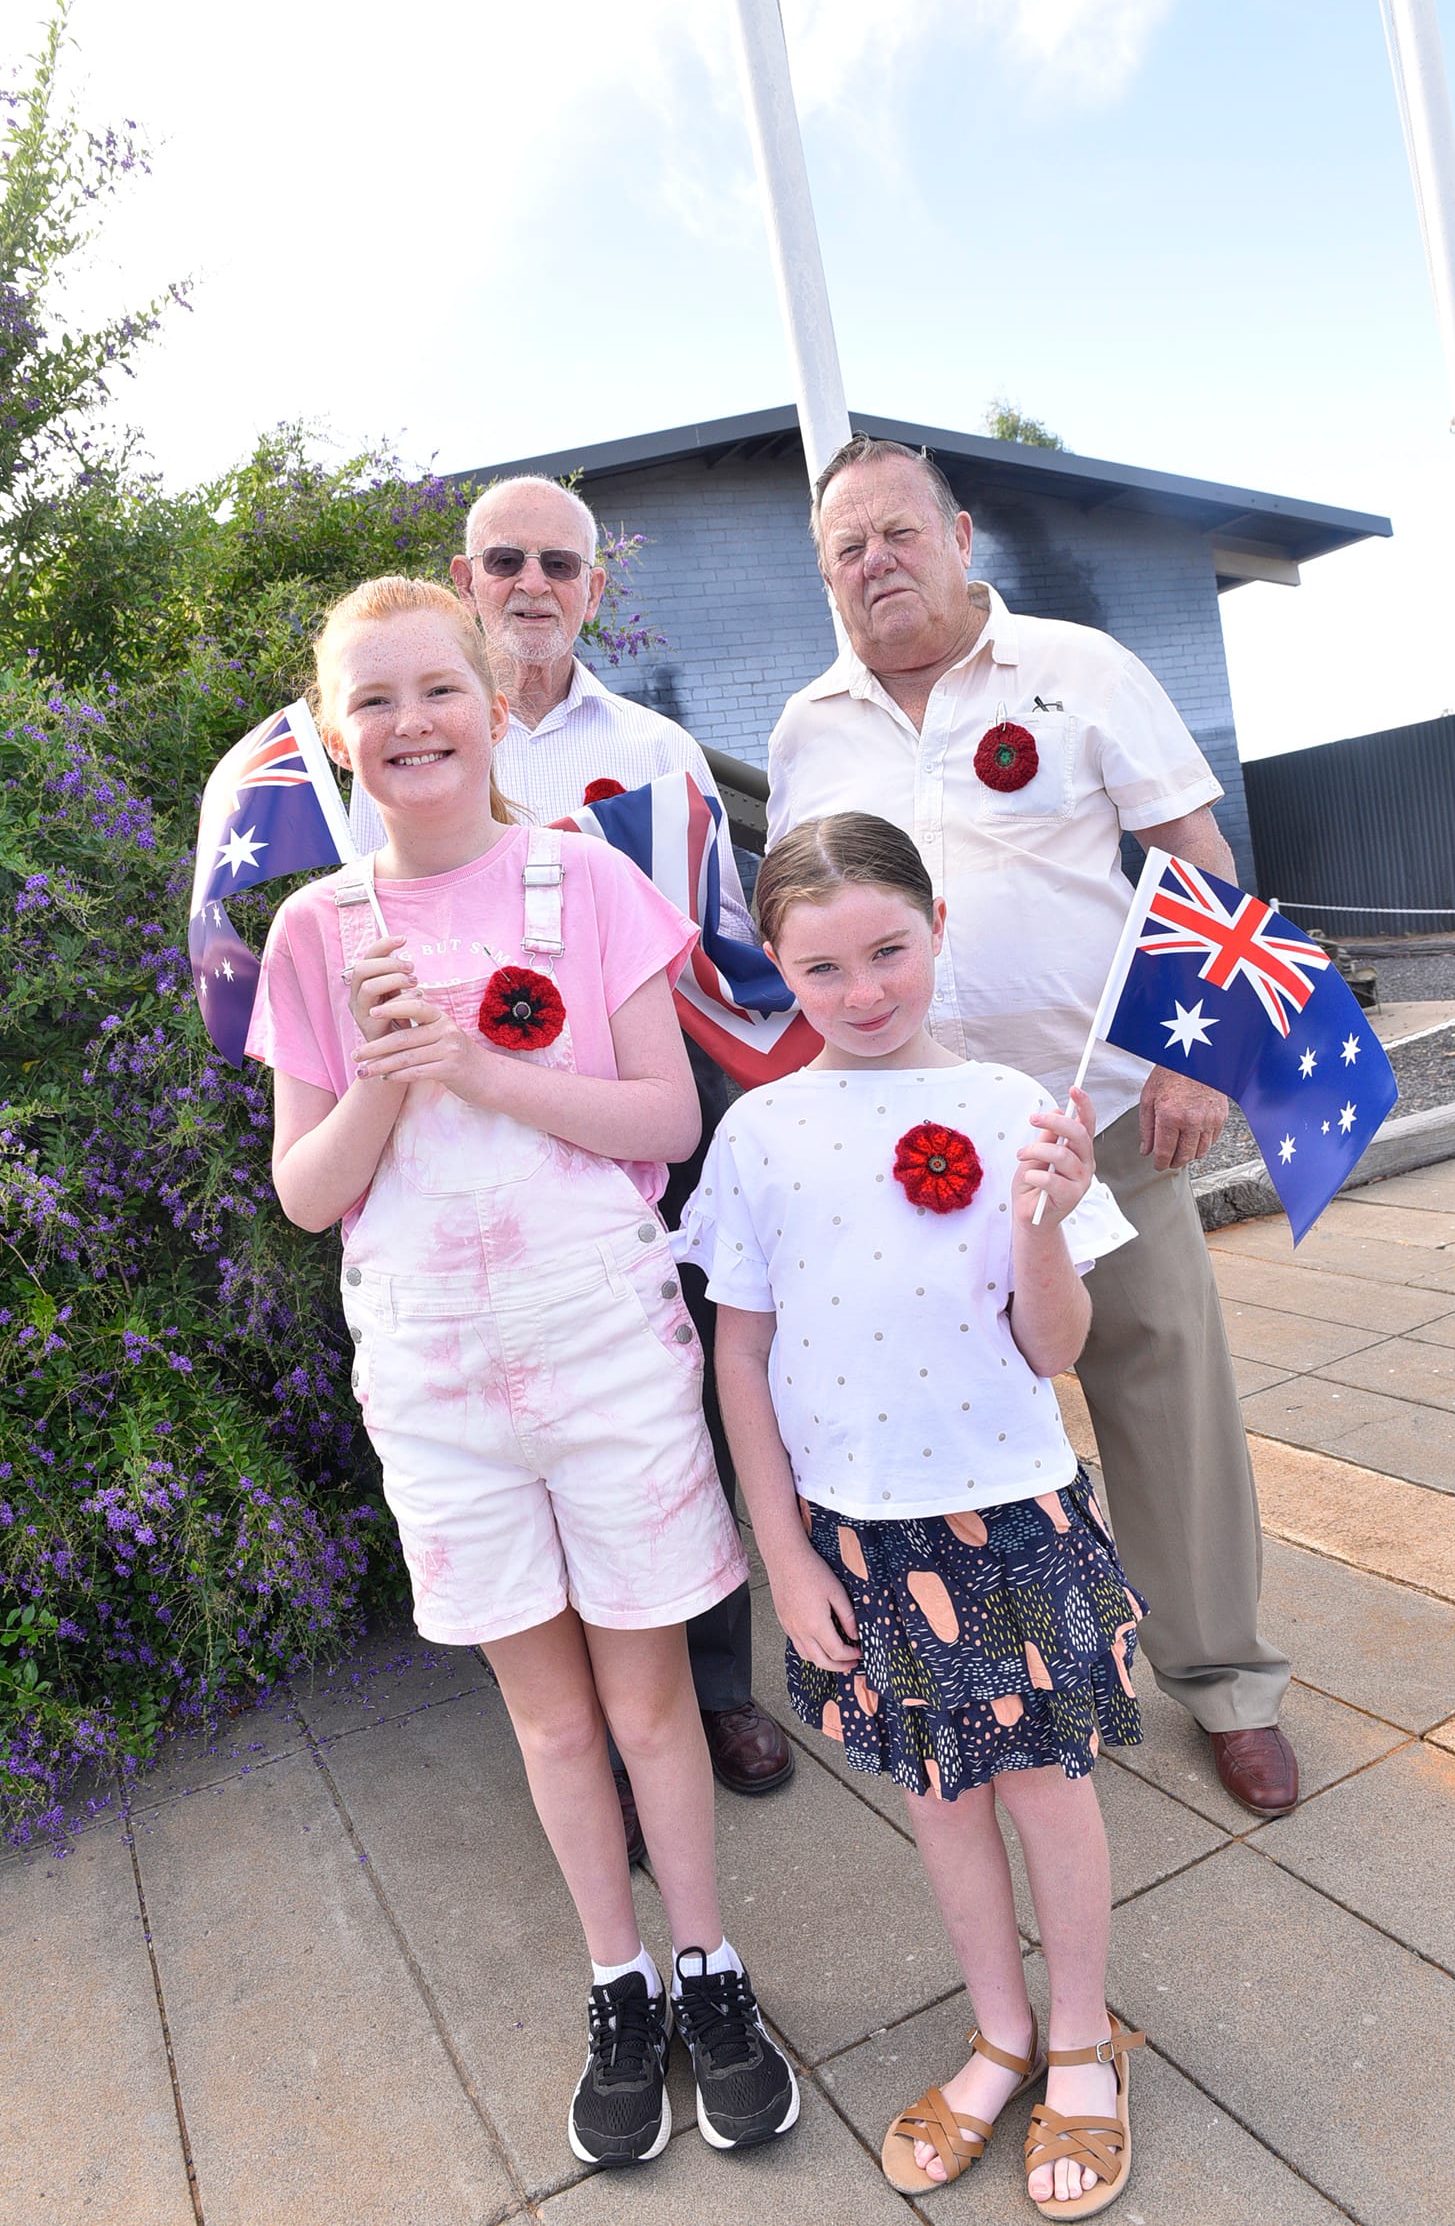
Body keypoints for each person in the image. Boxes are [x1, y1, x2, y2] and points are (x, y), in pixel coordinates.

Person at [246, 576, 798, 2168]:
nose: (408, 723)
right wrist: (388, 1085)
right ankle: (614, 1981)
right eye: (374, 701)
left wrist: (482, 1063)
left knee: (647, 1706)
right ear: (336, 737)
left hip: (606, 1355)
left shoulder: (584, 879)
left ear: (494, 704)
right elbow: (306, 1190)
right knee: (550, 1726)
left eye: (436, 690)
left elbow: (665, 1125)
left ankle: (706, 1965)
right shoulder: (317, 929)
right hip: (436, 1375)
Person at [766, 436, 1297, 1821]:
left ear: (956, 535)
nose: (874, 561)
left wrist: (1201, 1060)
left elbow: (1199, 858)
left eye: (896, 532)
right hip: (911, 1154)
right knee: (968, 1412)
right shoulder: (806, 728)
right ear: (824, 574)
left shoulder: (1080, 668)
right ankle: (1016, 1676)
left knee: (1157, 1384)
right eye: (845, 547)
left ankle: (1226, 1681)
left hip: (1099, 1114)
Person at [678, 814, 1147, 2218]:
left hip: (1007, 1517)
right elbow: (739, 1355)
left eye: (888, 948)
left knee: (1046, 1794)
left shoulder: (1018, 1106)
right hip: (856, 1538)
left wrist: (1043, 1222)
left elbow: (1054, 1347)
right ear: (778, 967)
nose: (864, 988)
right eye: (823, 966)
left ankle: (1080, 2040)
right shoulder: (759, 1131)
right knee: (939, 1798)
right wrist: (780, 1553)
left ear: (936, 924)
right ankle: (996, 2031)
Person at [451, 476, 794, 1829]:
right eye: (503, 560)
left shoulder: (656, 751)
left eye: (559, 562)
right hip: (478, 1154)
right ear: (467, 578)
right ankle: (577, 1717)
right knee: (522, 1414)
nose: (531, 582)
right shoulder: (411, 745)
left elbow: (714, 959)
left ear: (593, 588)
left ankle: (711, 1685)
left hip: (644, 1131)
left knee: (676, 1403)